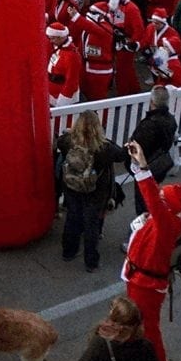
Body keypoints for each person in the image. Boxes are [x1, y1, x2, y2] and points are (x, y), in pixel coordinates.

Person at [119, 149, 181, 361]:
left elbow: (151, 196)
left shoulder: (166, 222)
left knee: (149, 330)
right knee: (143, 325)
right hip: (142, 280)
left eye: (163, 198)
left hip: (145, 284)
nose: (159, 198)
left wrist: (143, 167)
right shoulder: (166, 221)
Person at [55, 111, 122, 272]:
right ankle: (91, 262)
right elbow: (122, 155)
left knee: (72, 218)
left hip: (72, 187)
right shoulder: (104, 148)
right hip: (95, 191)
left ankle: (68, 251)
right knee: (91, 225)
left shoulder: (69, 142)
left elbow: (58, 143)